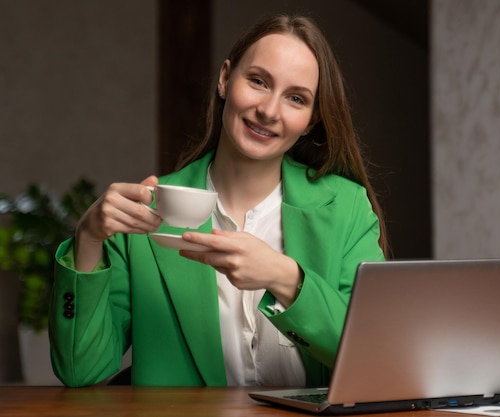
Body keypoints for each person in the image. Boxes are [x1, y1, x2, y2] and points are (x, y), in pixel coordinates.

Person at [49, 13, 388, 388]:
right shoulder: (146, 211)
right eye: (258, 81)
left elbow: (379, 355)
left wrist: (284, 277)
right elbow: (80, 370)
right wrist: (89, 238)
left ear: (311, 120)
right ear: (226, 79)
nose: (269, 111)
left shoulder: (346, 206)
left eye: (296, 98)